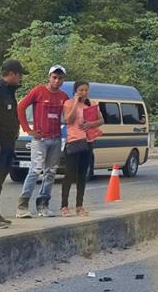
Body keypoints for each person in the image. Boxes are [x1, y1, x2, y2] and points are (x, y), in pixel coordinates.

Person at [16, 65, 69, 218]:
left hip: (56, 138)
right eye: (54, 77)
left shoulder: (63, 97)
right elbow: (21, 107)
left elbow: (69, 115)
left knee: (51, 172)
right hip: (40, 139)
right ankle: (22, 205)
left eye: (60, 78)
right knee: (35, 170)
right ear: (49, 77)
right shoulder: (38, 91)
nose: (57, 81)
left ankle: (43, 204)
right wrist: (28, 129)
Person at [0, 59, 27, 229]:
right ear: (12, 73)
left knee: (1, 177)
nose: (20, 78)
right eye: (20, 74)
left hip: (8, 142)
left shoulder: (8, 92)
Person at [60, 81, 104, 217]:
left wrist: (91, 124)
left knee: (82, 174)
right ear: (75, 91)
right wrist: (75, 102)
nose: (84, 93)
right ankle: (64, 206)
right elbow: (68, 119)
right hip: (74, 141)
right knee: (70, 174)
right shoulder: (68, 103)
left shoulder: (90, 104)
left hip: (88, 141)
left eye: (86, 90)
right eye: (81, 90)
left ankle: (79, 206)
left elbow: (101, 120)